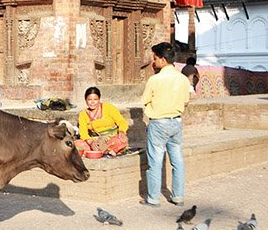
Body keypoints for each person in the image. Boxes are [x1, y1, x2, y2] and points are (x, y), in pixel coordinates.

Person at [141, 42, 190, 207]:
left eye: (155, 58)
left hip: (159, 123)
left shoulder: (155, 79)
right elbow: (186, 102)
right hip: (176, 122)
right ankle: (178, 196)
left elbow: (144, 100)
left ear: (162, 59)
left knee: (155, 162)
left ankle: (153, 198)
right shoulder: (183, 79)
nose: (154, 62)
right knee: (177, 161)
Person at [76, 86, 130, 155]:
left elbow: (121, 122)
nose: (92, 102)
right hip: (94, 141)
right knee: (77, 144)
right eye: (89, 100)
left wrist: (122, 131)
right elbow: (83, 133)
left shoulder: (108, 107)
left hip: (111, 139)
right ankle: (107, 151)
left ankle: (101, 151)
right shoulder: (83, 114)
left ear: (99, 99)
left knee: (120, 141)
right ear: (85, 100)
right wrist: (90, 142)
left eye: (95, 99)